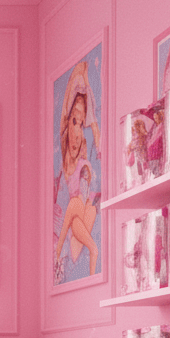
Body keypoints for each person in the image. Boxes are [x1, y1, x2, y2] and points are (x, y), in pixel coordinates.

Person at [53, 60, 101, 283]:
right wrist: (80, 73)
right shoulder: (65, 161)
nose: (77, 129)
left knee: (82, 207)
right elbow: (64, 113)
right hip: (74, 218)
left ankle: (62, 249)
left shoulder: (84, 164)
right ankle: (62, 249)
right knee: (74, 207)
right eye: (74, 121)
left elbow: (85, 195)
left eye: (81, 125)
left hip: (81, 213)